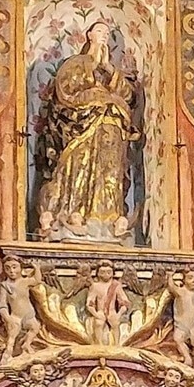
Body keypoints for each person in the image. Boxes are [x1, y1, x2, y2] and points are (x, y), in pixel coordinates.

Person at [33, 19, 139, 241]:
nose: (104, 35)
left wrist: (109, 70)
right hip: (80, 124)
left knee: (109, 172)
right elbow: (65, 91)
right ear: (89, 34)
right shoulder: (76, 63)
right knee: (78, 167)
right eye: (99, 30)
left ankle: (107, 220)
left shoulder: (112, 70)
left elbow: (128, 97)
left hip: (112, 126)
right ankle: (73, 215)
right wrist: (97, 92)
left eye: (107, 33)